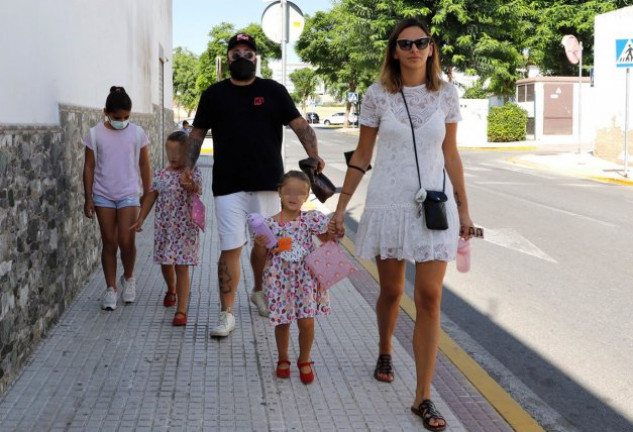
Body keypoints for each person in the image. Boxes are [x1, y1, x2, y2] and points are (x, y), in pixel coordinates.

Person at [330, 18, 474, 431]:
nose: (414, 49)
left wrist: (465, 210)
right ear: (394, 50)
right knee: (391, 291)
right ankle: (384, 348)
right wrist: (340, 208)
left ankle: (423, 396)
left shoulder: (446, 94)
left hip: (433, 206)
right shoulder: (377, 96)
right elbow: (362, 154)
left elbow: (451, 155)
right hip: (388, 204)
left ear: (431, 49)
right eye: (405, 43)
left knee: (429, 298)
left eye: (421, 42)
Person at [180, 33, 325, 338]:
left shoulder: (274, 91)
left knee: (265, 246)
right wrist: (187, 169)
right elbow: (196, 135)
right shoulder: (213, 94)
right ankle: (226, 313)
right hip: (228, 186)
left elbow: (300, 125)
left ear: (256, 59)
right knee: (230, 248)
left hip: (268, 185)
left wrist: (314, 156)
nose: (242, 58)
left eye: (248, 53)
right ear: (228, 58)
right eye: (236, 53)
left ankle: (259, 290)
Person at [251, 171, 332, 384]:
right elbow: (260, 255)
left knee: (306, 322)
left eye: (300, 193)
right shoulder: (268, 225)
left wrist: (333, 229)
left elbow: (327, 239)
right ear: (279, 192)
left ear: (307, 196)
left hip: (305, 280)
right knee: (283, 322)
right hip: (279, 280)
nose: (293, 197)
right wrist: (259, 245)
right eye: (288, 191)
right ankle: (283, 358)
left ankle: (304, 359)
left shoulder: (310, 220)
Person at [83, 86, 151, 311]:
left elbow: (144, 164)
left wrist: (147, 193)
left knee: (127, 241)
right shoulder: (94, 134)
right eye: (117, 117)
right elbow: (89, 167)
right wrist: (88, 197)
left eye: (126, 117)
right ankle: (110, 288)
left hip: (128, 195)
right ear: (106, 112)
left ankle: (129, 278)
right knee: (109, 243)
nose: (122, 121)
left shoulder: (137, 133)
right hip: (103, 196)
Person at [130, 131, 202, 326]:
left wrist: (189, 184)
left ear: (188, 153)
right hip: (164, 229)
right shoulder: (161, 174)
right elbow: (151, 196)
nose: (173, 157)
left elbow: (198, 190)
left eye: (178, 153)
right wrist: (141, 218)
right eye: (169, 152)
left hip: (184, 230)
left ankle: (182, 310)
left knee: (182, 267)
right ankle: (172, 289)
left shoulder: (192, 173)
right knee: (165, 263)